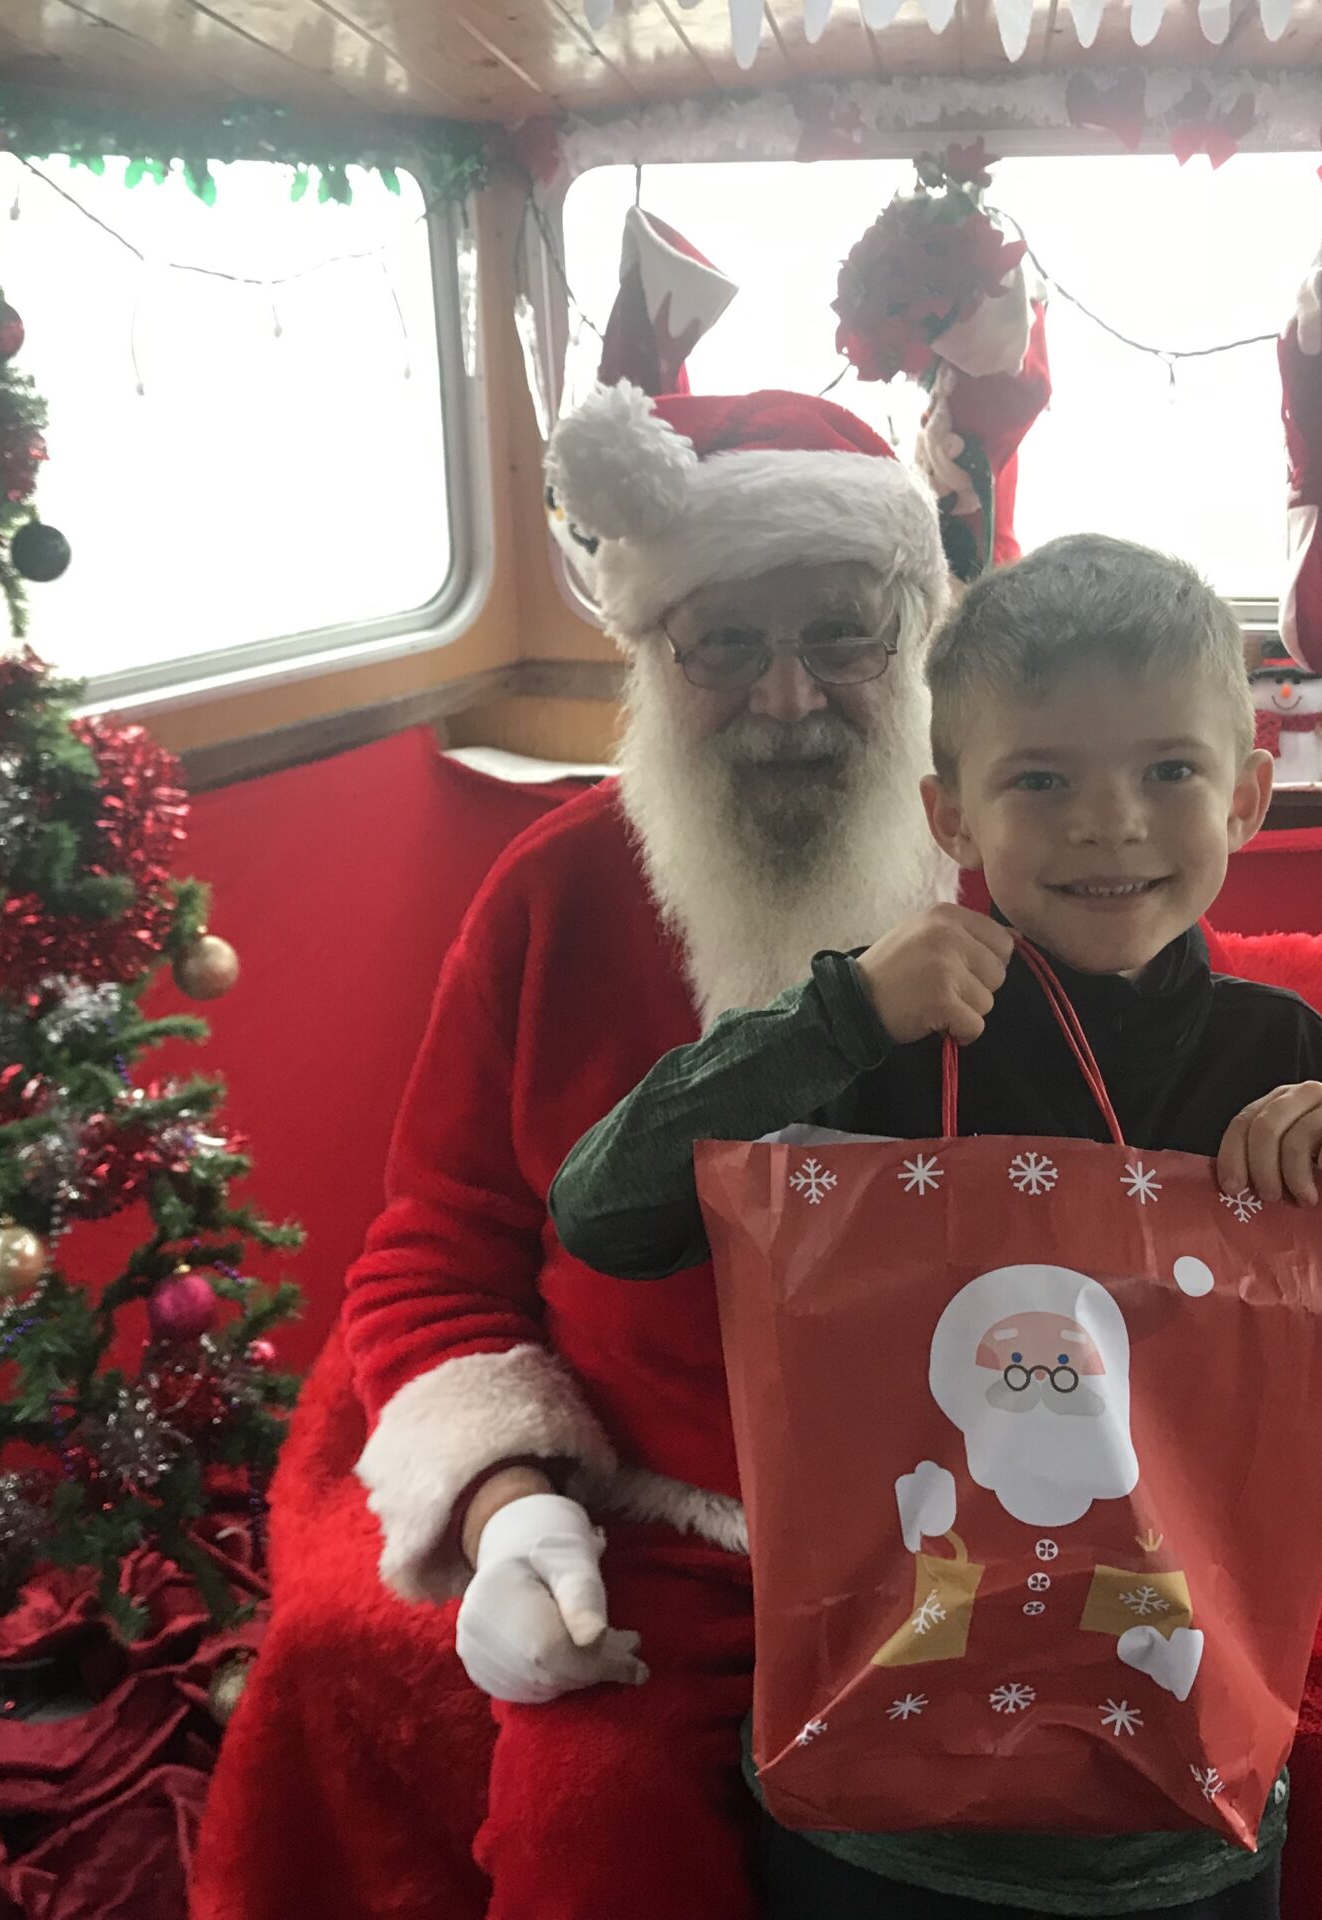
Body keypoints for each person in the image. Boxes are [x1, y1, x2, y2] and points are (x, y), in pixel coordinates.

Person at [548, 535, 1322, 1918]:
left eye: (1168, 771)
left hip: (1178, 1803)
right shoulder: (883, 1032)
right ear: (951, 819)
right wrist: (835, 1016)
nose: (1107, 822)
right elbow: (602, 1214)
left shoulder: (1282, 1062)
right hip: (875, 1792)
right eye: (1039, 779)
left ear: (1247, 796)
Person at [338, 381, 958, 1918]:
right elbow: (439, 1247)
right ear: (650, 655)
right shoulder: (548, 902)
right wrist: (511, 1511)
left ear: (920, 635)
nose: (791, 698)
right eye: (726, 645)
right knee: (587, 1848)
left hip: (988, 1523)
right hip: (665, 1533)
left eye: (842, 635)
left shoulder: (1036, 873)